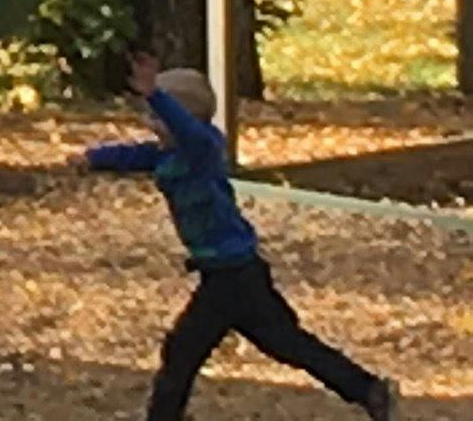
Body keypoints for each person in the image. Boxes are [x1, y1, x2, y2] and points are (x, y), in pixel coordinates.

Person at [80, 56, 395, 421]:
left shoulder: (201, 150)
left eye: (156, 119)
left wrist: (157, 96)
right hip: (232, 271)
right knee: (286, 344)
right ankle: (367, 389)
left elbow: (190, 132)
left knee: (183, 350)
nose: (149, 124)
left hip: (231, 274)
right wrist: (93, 158)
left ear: (179, 117)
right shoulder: (168, 154)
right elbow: (135, 154)